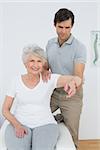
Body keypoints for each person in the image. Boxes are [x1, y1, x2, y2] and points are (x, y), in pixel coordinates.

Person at [2, 44, 81, 150]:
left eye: (39, 61)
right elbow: (5, 110)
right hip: (20, 122)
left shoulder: (49, 79)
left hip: (45, 124)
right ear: (25, 63)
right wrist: (17, 125)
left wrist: (73, 82)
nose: (35, 65)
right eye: (32, 61)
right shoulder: (15, 81)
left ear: (43, 63)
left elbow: (77, 79)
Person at [46, 8, 87, 149]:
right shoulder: (50, 44)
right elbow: (47, 67)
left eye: (67, 27)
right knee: (37, 117)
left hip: (72, 96)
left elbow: (78, 75)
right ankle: (58, 118)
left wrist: (74, 83)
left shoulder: (79, 48)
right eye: (60, 27)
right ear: (54, 24)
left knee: (72, 134)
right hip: (53, 93)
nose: (63, 31)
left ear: (72, 26)